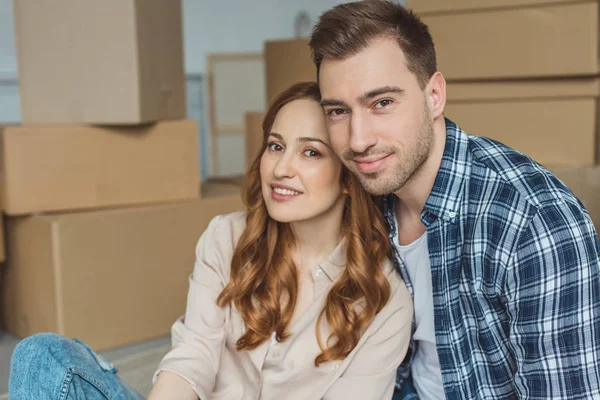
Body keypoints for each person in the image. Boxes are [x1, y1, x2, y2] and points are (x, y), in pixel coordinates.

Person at [9, 82, 413, 400]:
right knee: (40, 355)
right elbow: (193, 358)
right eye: (275, 146)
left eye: (311, 153)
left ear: (348, 177)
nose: (281, 168)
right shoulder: (227, 237)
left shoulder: (385, 298)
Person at [309, 1, 600, 399]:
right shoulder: (363, 197)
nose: (359, 140)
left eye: (382, 103)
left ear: (434, 95)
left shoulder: (532, 223)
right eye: (338, 111)